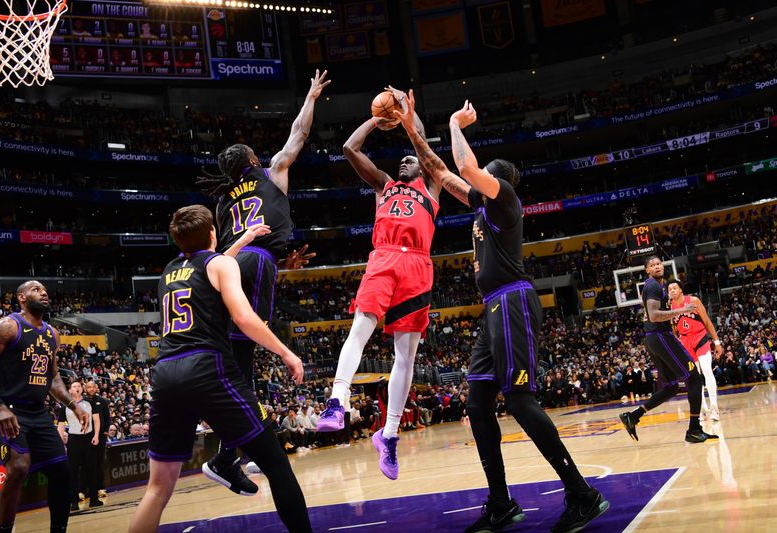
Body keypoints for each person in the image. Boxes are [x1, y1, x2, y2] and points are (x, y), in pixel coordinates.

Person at [395, 96, 608, 532]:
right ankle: (501, 503)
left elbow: (467, 168)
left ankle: (582, 494)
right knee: (476, 403)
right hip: (492, 307)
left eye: (485, 175)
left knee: (519, 399)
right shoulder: (481, 205)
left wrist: (455, 123)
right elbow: (439, 170)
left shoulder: (506, 197)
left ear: (498, 181)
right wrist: (409, 128)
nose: (478, 178)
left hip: (512, 300)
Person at [128, 205, 311, 533]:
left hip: (166, 373)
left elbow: (211, 268)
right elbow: (242, 315)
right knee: (276, 465)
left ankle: (222, 463)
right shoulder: (220, 264)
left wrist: (243, 240)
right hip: (207, 367)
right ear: (212, 232)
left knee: (157, 489)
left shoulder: (168, 272)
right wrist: (285, 352)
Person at [196, 70, 328, 494]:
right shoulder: (272, 173)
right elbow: (298, 134)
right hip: (255, 262)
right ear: (253, 160)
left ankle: (228, 455)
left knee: (242, 366)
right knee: (244, 363)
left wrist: (278, 259)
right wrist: (309, 96)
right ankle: (235, 450)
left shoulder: (220, 201)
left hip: (228, 267)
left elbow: (229, 250)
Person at [316, 86, 442, 481]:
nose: (404, 163)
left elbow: (420, 146)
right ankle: (337, 400)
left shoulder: (433, 185)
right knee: (360, 329)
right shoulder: (383, 185)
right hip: (384, 257)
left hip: (418, 266)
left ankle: (388, 435)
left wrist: (407, 117)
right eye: (402, 160)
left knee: (406, 355)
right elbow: (350, 150)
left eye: (410, 160)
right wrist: (377, 118)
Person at [0, 281, 90, 533]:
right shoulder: (7, 327)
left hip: (37, 412)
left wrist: (74, 405)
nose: (43, 292)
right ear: (21, 298)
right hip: (6, 411)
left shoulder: (52, 334)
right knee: (18, 466)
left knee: (61, 470)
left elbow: (54, 379)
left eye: (45, 290)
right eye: (36, 289)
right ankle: (5, 530)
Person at [619, 257, 719, 443]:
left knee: (672, 386)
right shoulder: (652, 286)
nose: (657, 266)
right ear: (647, 270)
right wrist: (681, 310)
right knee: (695, 378)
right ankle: (694, 429)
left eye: (659, 264)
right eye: (652, 265)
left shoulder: (660, 286)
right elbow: (654, 315)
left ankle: (633, 416)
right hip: (660, 336)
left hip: (654, 339)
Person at [667, 280, 723, 420]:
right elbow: (674, 328)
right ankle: (703, 409)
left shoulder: (693, 300)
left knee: (707, 370)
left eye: (674, 288)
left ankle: (714, 408)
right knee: (694, 378)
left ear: (681, 290)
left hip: (700, 337)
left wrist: (717, 342)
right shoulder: (670, 307)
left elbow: (707, 321)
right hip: (685, 342)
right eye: (669, 289)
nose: (672, 290)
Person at [58, 381, 101, 509]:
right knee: (73, 471)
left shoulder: (90, 403)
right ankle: (74, 502)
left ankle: (94, 499)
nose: (77, 388)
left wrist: (96, 435)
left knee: (91, 470)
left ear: (82, 389)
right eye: (74, 386)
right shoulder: (64, 406)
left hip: (89, 438)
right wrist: (62, 441)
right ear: (69, 391)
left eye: (79, 386)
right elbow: (60, 426)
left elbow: (96, 420)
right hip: (74, 440)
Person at [84, 380, 111, 496]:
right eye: (88, 387)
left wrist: (105, 431)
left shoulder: (103, 401)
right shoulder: (82, 402)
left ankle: (100, 488)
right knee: (86, 462)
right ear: (86, 389)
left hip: (100, 435)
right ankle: (84, 490)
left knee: (99, 462)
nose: (90, 389)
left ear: (96, 388)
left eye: (92, 387)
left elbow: (107, 418)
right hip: (86, 435)